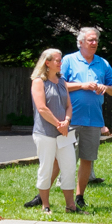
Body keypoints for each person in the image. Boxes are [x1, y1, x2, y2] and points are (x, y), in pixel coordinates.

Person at [62, 26, 112, 201]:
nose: (94, 43)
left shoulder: (103, 63)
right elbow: (58, 85)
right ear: (80, 43)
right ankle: (45, 196)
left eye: (96, 40)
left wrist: (105, 87)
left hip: (94, 120)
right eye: (90, 40)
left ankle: (79, 197)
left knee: (87, 159)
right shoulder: (68, 60)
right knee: (63, 159)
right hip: (69, 118)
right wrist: (82, 85)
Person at [29, 48, 78, 214]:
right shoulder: (38, 82)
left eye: (61, 60)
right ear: (47, 63)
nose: (60, 63)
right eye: (57, 60)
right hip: (45, 133)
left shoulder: (62, 81)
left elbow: (69, 106)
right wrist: (59, 124)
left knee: (70, 166)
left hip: (64, 134)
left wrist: (67, 121)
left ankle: (71, 206)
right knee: (46, 168)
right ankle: (45, 205)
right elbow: (42, 108)